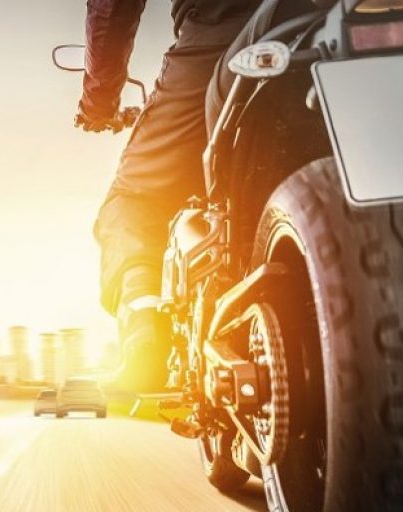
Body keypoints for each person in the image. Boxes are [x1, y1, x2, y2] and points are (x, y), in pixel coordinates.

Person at [76, 0, 264, 393]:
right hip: (356, 17)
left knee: (132, 200)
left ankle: (146, 338)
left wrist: (99, 100)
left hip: (225, 31)